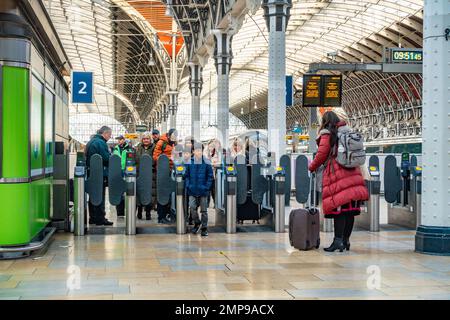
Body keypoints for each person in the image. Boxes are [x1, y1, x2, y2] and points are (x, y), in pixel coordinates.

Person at [308, 111, 369, 252]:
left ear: (325, 121)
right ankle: (346, 241)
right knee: (350, 210)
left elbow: (321, 155)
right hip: (353, 174)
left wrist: (311, 167)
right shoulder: (348, 132)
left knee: (339, 210)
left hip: (338, 176)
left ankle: (338, 241)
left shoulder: (327, 134)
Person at [85, 126, 113, 226]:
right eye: (109, 135)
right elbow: (106, 158)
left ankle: (92, 218)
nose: (109, 137)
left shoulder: (91, 141)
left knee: (93, 195)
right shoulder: (100, 143)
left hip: (91, 172)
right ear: (105, 133)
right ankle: (100, 218)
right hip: (99, 173)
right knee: (100, 195)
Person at [185, 143, 214, 237]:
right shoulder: (189, 162)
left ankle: (204, 228)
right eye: (196, 150)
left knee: (204, 211)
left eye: (200, 150)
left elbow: (210, 177)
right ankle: (197, 222)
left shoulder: (207, 162)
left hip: (203, 191)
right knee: (192, 208)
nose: (198, 152)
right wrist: (188, 185)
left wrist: (206, 187)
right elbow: (187, 176)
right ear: (193, 151)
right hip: (192, 190)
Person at [153, 128, 178, 223]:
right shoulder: (161, 142)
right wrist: (170, 158)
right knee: (162, 193)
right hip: (163, 171)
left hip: (172, 171)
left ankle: (168, 214)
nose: (174, 138)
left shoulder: (173, 143)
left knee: (170, 193)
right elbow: (155, 157)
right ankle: (161, 217)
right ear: (168, 135)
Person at [135, 132, 156, 220]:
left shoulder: (154, 148)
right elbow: (135, 160)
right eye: (144, 139)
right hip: (139, 173)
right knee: (139, 193)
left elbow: (155, 159)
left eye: (147, 139)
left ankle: (148, 213)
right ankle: (139, 211)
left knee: (149, 194)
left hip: (150, 174)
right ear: (142, 140)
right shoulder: (138, 148)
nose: (146, 140)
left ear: (150, 139)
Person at [112, 135, 133, 217]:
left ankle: (129, 211)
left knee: (128, 190)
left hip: (127, 171)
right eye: (118, 140)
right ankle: (120, 212)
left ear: (124, 140)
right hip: (118, 171)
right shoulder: (115, 149)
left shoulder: (129, 149)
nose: (119, 141)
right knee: (119, 191)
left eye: (121, 139)